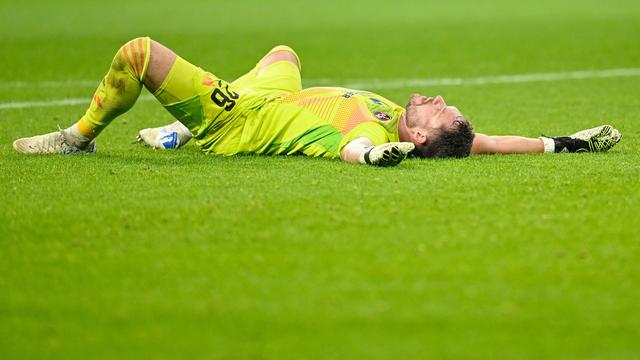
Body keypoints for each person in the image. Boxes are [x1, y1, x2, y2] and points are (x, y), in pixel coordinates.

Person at [13, 37, 621, 166]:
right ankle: (177, 132)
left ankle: (78, 137)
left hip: (240, 118)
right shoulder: (444, 137)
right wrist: (567, 140)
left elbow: (352, 147)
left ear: (415, 138)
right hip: (281, 95)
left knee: (139, 55)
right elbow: (489, 142)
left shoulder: (372, 133)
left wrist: (371, 160)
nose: (437, 98)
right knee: (284, 53)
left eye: (439, 110)